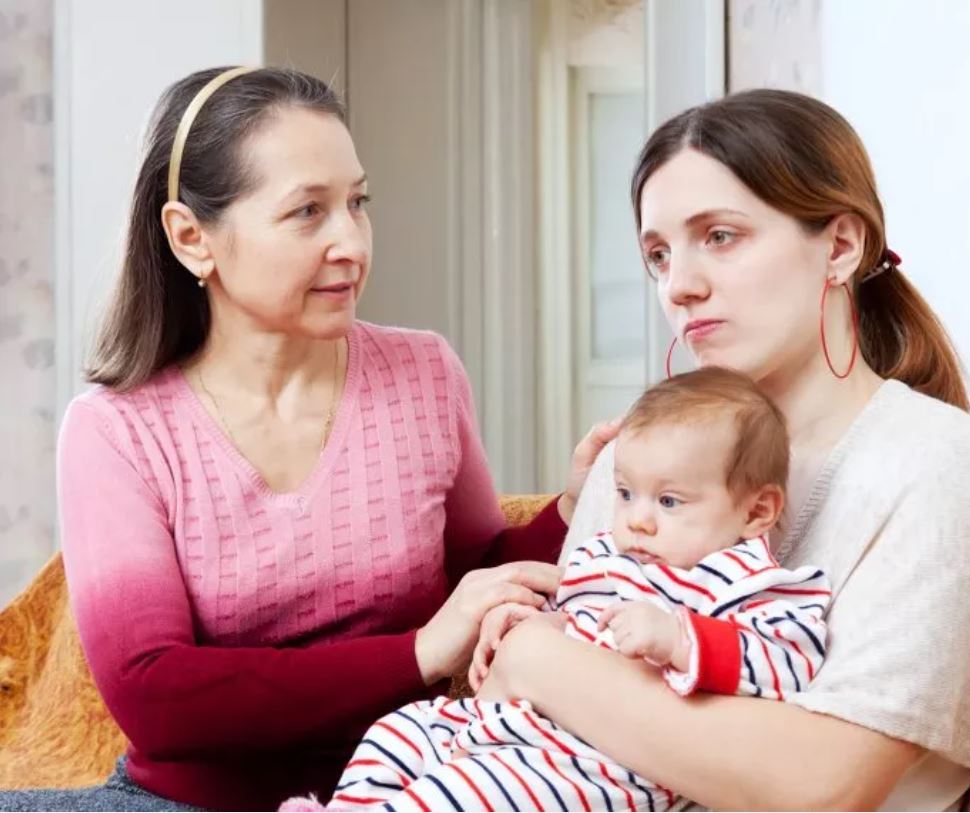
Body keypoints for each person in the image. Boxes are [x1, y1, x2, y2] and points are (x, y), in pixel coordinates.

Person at [0, 67, 613, 812]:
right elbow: (156, 696)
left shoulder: (423, 372)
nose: (350, 242)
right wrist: (418, 651)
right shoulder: (117, 430)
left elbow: (478, 576)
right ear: (192, 237)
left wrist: (575, 506)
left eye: (357, 203)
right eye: (307, 213)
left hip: (407, 789)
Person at [473, 89, 970, 811]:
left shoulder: (937, 462)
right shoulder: (630, 460)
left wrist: (539, 656)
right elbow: (541, 734)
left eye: (720, 236)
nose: (680, 286)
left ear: (841, 246)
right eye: (657, 254)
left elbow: (823, 784)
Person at [284, 367, 830, 812]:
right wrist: (521, 618)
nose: (637, 521)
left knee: (457, 794)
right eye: (624, 493)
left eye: (669, 502)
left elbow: (788, 665)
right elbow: (564, 611)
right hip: (504, 720)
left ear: (757, 510)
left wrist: (682, 639)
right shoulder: (605, 555)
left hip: (591, 766)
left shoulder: (751, 585)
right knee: (400, 731)